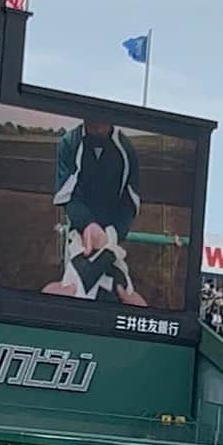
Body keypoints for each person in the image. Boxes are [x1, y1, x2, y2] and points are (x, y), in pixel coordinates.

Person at [43, 120, 147, 306]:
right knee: (75, 292)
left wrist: (112, 235)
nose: (97, 124)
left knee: (117, 291)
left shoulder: (126, 150)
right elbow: (67, 194)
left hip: (111, 240)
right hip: (80, 238)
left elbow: (130, 203)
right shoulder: (70, 142)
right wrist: (87, 224)